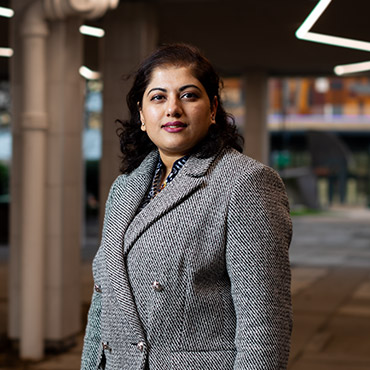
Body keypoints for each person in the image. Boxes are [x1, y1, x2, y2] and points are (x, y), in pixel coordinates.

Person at [81, 43, 292, 370]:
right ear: (141, 114)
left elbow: (264, 327)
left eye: (189, 95)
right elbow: (102, 305)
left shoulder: (245, 183)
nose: (173, 109)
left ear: (212, 110)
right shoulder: (124, 188)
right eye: (158, 97)